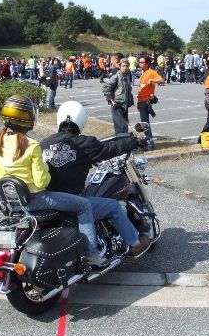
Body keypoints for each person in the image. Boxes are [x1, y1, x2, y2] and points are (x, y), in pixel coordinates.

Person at [0, 95, 104, 267]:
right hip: (37, 199)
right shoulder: (31, 145)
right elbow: (41, 182)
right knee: (84, 205)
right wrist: (45, 167)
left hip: (14, 202)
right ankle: (92, 254)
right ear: (26, 119)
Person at [41, 101, 151, 259]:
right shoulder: (85, 144)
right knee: (113, 207)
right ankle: (135, 243)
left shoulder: (44, 144)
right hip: (72, 203)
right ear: (82, 120)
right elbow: (111, 148)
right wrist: (135, 141)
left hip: (48, 202)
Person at [137, 56, 165, 150]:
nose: (140, 64)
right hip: (141, 100)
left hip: (146, 100)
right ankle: (148, 142)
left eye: (142, 62)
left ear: (147, 63)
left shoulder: (151, 72)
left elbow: (162, 80)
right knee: (144, 123)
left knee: (145, 123)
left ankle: (150, 144)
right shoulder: (143, 73)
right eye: (139, 62)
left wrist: (152, 80)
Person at [102, 58, 134, 134]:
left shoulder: (127, 76)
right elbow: (106, 88)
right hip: (117, 105)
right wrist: (112, 101)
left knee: (125, 125)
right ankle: (120, 140)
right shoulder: (116, 77)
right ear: (120, 66)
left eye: (126, 66)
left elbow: (128, 90)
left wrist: (130, 100)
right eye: (123, 66)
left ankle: (124, 140)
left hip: (124, 105)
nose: (125, 68)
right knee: (120, 126)